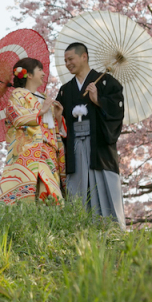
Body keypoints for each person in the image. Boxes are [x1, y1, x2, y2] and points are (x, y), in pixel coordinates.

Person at [56, 42, 126, 228]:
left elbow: (117, 113)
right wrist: (57, 116)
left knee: (105, 190)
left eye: (71, 59)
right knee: (76, 192)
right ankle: (78, 236)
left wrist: (99, 100)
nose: (68, 63)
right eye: (65, 61)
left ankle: (113, 234)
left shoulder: (107, 83)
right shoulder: (65, 90)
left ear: (84, 56)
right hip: (74, 148)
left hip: (98, 149)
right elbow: (60, 124)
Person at [0, 57, 67, 207]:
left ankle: (47, 228)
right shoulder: (18, 94)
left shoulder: (45, 97)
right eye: (39, 69)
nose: (43, 73)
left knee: (49, 191)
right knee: (29, 192)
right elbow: (16, 117)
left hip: (49, 151)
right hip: (29, 150)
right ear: (29, 75)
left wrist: (58, 116)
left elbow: (54, 129)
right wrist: (43, 110)